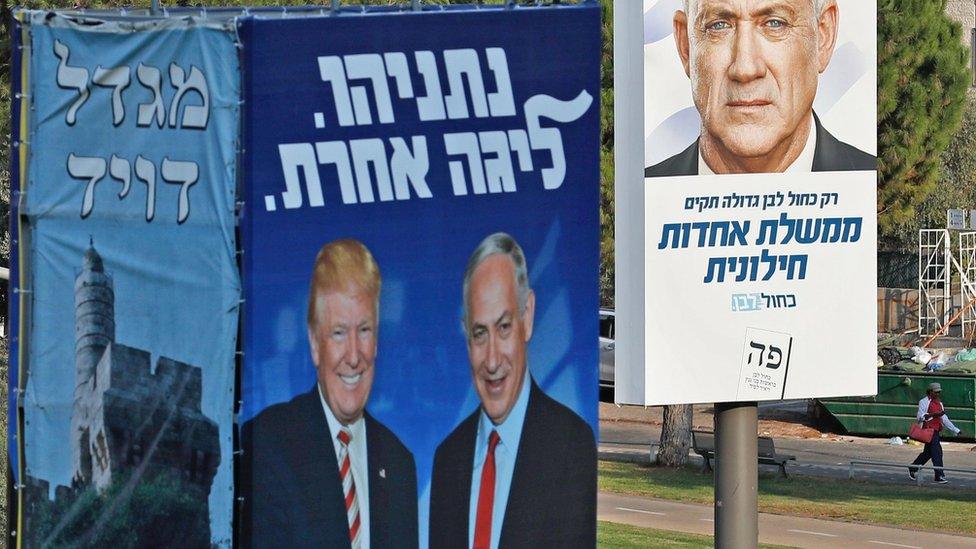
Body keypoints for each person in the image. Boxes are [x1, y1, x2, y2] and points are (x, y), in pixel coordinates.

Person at [240, 239, 418, 548]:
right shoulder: (268, 443)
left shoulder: (399, 462)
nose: (353, 355)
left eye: (364, 330)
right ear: (313, 343)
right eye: (338, 333)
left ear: (376, 340)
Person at [429, 233, 596, 548]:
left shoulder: (571, 446)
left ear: (528, 316)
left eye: (504, 327)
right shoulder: (448, 459)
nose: (492, 360)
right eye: (480, 333)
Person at [645, 0, 875, 177]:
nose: (745, 69)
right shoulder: (641, 203)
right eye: (719, 25)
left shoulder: (876, 192)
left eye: (775, 23)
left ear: (823, 36)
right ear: (686, 45)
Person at [909, 382, 962, 484]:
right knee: (937, 453)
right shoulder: (923, 402)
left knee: (928, 453)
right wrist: (934, 414)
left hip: (936, 431)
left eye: (939, 392)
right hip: (928, 430)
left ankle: (913, 467)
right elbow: (920, 417)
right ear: (930, 392)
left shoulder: (939, 403)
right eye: (936, 392)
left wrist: (955, 429)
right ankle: (939, 475)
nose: (938, 394)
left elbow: (944, 419)